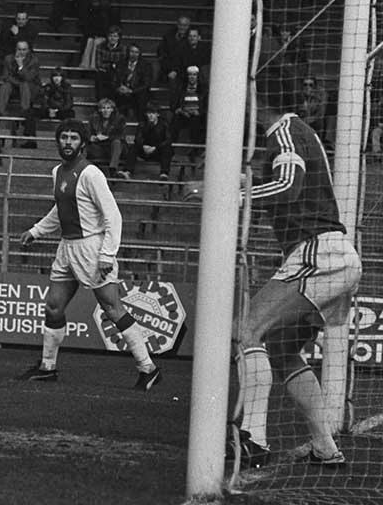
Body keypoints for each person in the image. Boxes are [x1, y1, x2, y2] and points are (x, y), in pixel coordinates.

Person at [187, 76, 361, 468]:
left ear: (258, 97)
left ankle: (254, 440)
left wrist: (228, 196)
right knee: (282, 350)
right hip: (336, 256)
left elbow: (288, 186)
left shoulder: (284, 131)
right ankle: (325, 447)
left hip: (318, 253)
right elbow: (284, 181)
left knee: (246, 329)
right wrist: (226, 182)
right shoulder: (297, 132)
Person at [15, 119, 161, 389]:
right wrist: (36, 231)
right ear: (57, 141)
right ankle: (47, 367)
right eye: (64, 137)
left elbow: (113, 215)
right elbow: (61, 209)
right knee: (53, 307)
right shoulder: (57, 172)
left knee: (112, 308)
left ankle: (148, 367)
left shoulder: (91, 174)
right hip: (66, 248)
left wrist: (107, 254)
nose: (68, 142)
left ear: (82, 143)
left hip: (91, 249)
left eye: (73, 138)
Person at [0, 40, 41, 138]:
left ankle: (24, 111)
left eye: (24, 49)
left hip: (30, 86)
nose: (22, 52)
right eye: (19, 49)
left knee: (24, 85)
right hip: (14, 84)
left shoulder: (34, 61)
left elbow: (29, 77)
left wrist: (20, 66)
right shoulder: (8, 59)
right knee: (5, 86)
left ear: (28, 50)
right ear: (15, 49)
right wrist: (17, 83)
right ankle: (1, 111)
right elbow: (5, 76)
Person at [24, 68, 75, 142]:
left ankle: (67, 139)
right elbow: (43, 101)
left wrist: (57, 110)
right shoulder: (48, 87)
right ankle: (31, 140)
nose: (56, 78)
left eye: (59, 76)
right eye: (55, 76)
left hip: (61, 111)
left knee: (71, 114)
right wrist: (48, 109)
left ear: (62, 77)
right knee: (30, 112)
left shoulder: (67, 87)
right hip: (48, 110)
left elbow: (69, 104)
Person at [127, 103, 173, 180]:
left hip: (158, 150)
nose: (151, 115)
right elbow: (137, 138)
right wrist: (143, 146)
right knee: (133, 148)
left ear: (158, 114)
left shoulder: (164, 124)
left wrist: (155, 147)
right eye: (149, 113)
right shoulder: (142, 124)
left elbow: (168, 140)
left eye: (153, 113)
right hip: (144, 149)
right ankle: (127, 171)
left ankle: (164, 174)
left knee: (167, 149)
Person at [110, 43, 153, 121]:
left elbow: (146, 84)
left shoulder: (146, 66)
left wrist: (132, 91)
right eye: (132, 52)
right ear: (128, 52)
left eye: (136, 52)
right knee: (114, 94)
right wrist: (119, 88)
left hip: (137, 92)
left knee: (143, 96)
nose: (134, 54)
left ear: (139, 54)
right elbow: (114, 80)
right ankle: (118, 121)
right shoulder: (121, 63)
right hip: (122, 91)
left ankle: (141, 121)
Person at [86, 98, 126, 179]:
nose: (106, 110)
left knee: (117, 142)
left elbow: (121, 136)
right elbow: (87, 133)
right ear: (100, 110)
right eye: (103, 108)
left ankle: (113, 169)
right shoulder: (93, 118)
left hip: (114, 148)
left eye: (108, 108)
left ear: (112, 109)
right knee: (84, 144)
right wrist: (91, 137)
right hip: (99, 147)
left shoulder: (120, 119)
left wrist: (107, 137)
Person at [170, 65, 207, 152]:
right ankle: (171, 149)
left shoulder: (204, 89)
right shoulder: (180, 88)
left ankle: (195, 151)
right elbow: (173, 104)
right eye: (190, 74)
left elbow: (206, 106)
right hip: (183, 114)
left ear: (198, 76)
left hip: (197, 115)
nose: (192, 77)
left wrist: (199, 112)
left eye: (194, 75)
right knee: (174, 123)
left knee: (197, 125)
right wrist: (179, 110)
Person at [93, 25, 128, 102]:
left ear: (119, 38)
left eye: (115, 36)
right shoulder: (100, 46)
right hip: (104, 73)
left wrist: (110, 65)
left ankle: (113, 102)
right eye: (110, 36)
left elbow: (123, 65)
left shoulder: (123, 48)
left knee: (116, 77)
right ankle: (101, 101)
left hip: (117, 74)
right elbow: (99, 64)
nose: (112, 38)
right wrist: (112, 65)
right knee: (100, 76)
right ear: (107, 37)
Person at [156, 14, 192, 82]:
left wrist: (176, 71)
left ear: (188, 26)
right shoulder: (168, 35)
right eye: (180, 25)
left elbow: (188, 58)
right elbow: (161, 52)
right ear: (177, 25)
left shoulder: (191, 37)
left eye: (185, 25)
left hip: (183, 71)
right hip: (167, 69)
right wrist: (169, 70)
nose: (182, 27)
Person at [298, 76, 328, 141]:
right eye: (305, 85)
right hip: (300, 122)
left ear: (315, 86)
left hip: (315, 123)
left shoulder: (321, 94)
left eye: (311, 85)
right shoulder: (298, 94)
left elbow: (320, 114)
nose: (307, 87)